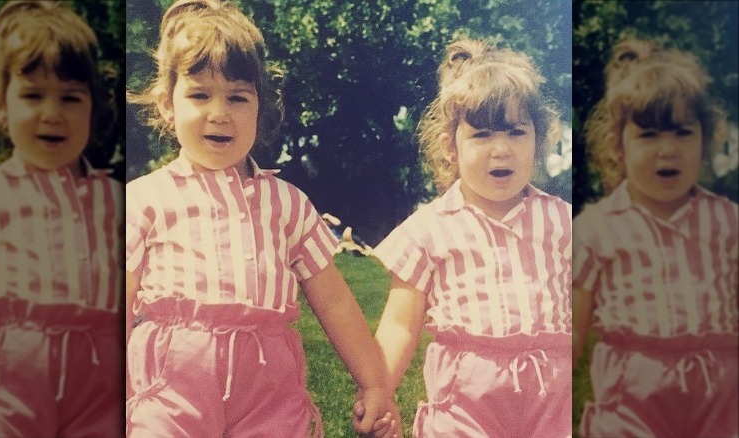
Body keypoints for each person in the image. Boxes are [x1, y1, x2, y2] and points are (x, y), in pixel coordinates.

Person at [125, 1, 397, 436]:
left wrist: (374, 382)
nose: (219, 112)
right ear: (167, 104)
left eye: (237, 97)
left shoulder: (286, 204)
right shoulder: (143, 201)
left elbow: (336, 302)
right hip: (172, 388)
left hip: (268, 392)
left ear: (260, 107)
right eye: (199, 94)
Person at [362, 38, 572, 437]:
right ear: (451, 148)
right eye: (482, 135)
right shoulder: (429, 229)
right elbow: (400, 326)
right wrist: (379, 390)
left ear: (539, 141)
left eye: (516, 132)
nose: (501, 150)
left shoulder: (563, 222)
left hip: (553, 398)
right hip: (465, 402)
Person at [0, 1, 123, 436]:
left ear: (92, 106)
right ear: (0, 104)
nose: (52, 112)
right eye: (33, 95)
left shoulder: (115, 200)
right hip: (4, 385)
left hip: (99, 387)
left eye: (70, 97)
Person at [573, 38, 738, 437]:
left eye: (683, 133)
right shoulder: (595, 228)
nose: (668, 150)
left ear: (705, 140)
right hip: (631, 398)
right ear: (618, 147)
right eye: (648, 135)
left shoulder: (728, 221)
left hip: (720, 398)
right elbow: (573, 329)